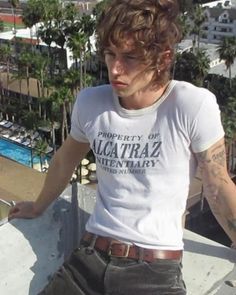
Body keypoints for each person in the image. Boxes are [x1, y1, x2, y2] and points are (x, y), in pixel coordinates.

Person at [8, 0, 236, 294]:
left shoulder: (190, 105)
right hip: (88, 260)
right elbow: (65, 161)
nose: (115, 69)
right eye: (110, 54)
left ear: (163, 59)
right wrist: (38, 206)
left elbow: (217, 185)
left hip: (154, 271)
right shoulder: (92, 103)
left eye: (129, 57)